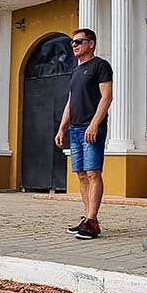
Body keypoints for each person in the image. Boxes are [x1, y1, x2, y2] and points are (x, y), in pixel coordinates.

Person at [55, 28, 113, 240]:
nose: (74, 45)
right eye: (72, 43)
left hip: (91, 128)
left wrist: (94, 124)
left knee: (93, 172)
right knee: (81, 174)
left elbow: (106, 97)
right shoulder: (76, 72)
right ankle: (88, 218)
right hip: (75, 129)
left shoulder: (100, 66)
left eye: (79, 42)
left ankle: (92, 221)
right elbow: (71, 102)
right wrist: (62, 127)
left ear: (91, 44)